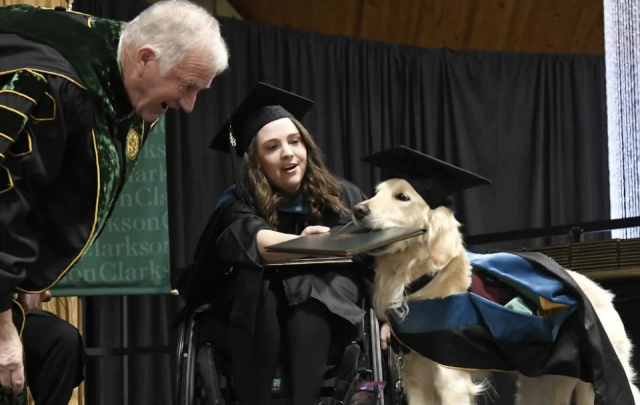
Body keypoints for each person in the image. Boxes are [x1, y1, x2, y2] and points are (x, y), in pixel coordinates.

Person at [0, 0, 229, 402]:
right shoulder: (46, 83)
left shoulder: (114, 75)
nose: (190, 106)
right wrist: (3, 330)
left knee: (60, 348)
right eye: (188, 86)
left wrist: (25, 279)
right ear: (145, 58)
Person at [178, 82, 375, 405]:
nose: (287, 152)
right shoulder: (239, 201)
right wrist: (302, 243)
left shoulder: (343, 196)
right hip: (257, 317)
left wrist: (386, 316)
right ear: (255, 161)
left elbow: (373, 259)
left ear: (306, 145)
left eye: (294, 141)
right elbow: (254, 241)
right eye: (271, 147)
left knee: (310, 292)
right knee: (262, 284)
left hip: (331, 310)